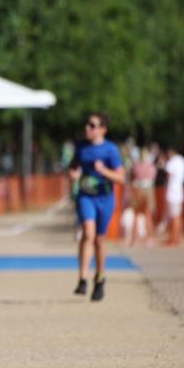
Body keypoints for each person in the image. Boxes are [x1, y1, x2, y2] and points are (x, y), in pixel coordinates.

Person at [68, 112, 125, 301]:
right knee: (88, 234)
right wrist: (74, 175)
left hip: (105, 198)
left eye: (92, 125)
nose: (87, 128)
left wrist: (104, 171)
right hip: (86, 197)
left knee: (100, 240)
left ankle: (100, 278)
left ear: (103, 130)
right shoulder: (81, 148)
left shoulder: (111, 150)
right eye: (87, 124)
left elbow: (121, 177)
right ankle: (82, 279)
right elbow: (74, 167)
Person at [162, 144, 184, 246]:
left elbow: (168, 173)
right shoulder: (182, 160)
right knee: (177, 215)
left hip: (173, 191)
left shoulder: (173, 161)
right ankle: (176, 237)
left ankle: (174, 238)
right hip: (179, 191)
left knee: (174, 216)